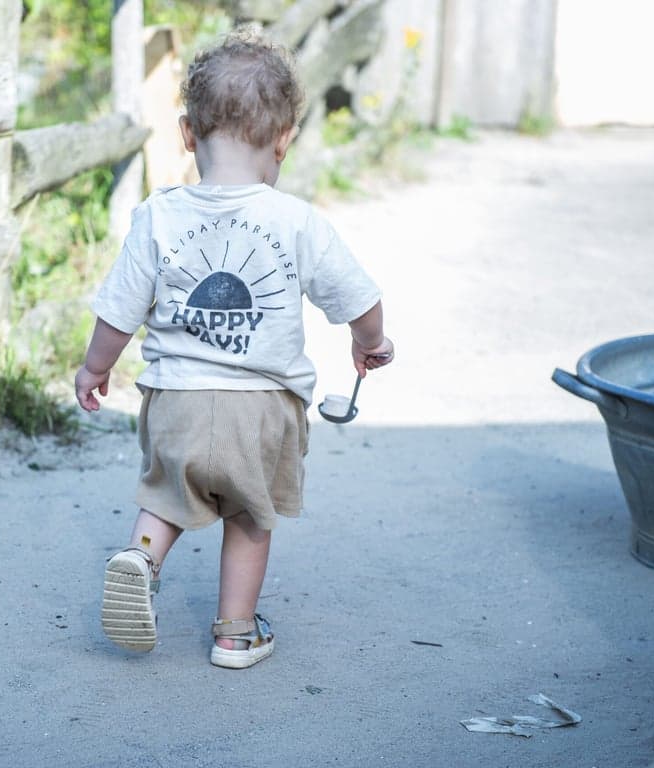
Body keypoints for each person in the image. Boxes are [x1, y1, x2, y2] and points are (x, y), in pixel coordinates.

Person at [74, 30, 394, 669]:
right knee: (250, 514)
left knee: (166, 494)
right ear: (283, 140)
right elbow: (358, 298)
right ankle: (234, 634)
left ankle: (140, 558)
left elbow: (119, 310)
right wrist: (371, 342)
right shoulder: (297, 221)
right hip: (263, 408)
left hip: (177, 403)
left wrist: (94, 367)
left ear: (187, 133)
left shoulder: (158, 216)